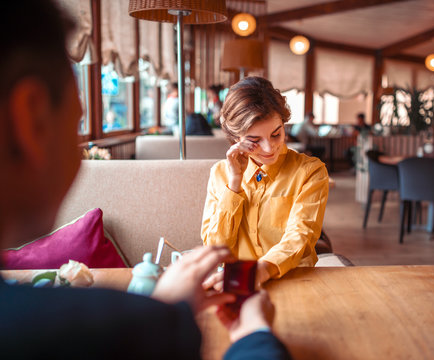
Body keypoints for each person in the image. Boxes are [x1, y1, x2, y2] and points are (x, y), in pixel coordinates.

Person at [0, 1, 290, 359]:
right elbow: (215, 241)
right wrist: (252, 333)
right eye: (77, 124)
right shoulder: (119, 328)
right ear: (32, 119)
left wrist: (166, 307)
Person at [201, 77, 330, 285]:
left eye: (276, 134)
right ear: (236, 138)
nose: (269, 149)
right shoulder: (220, 174)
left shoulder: (310, 172)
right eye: (254, 141)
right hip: (237, 282)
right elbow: (215, 247)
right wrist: (234, 183)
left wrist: (260, 271)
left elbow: (301, 236)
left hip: (294, 280)